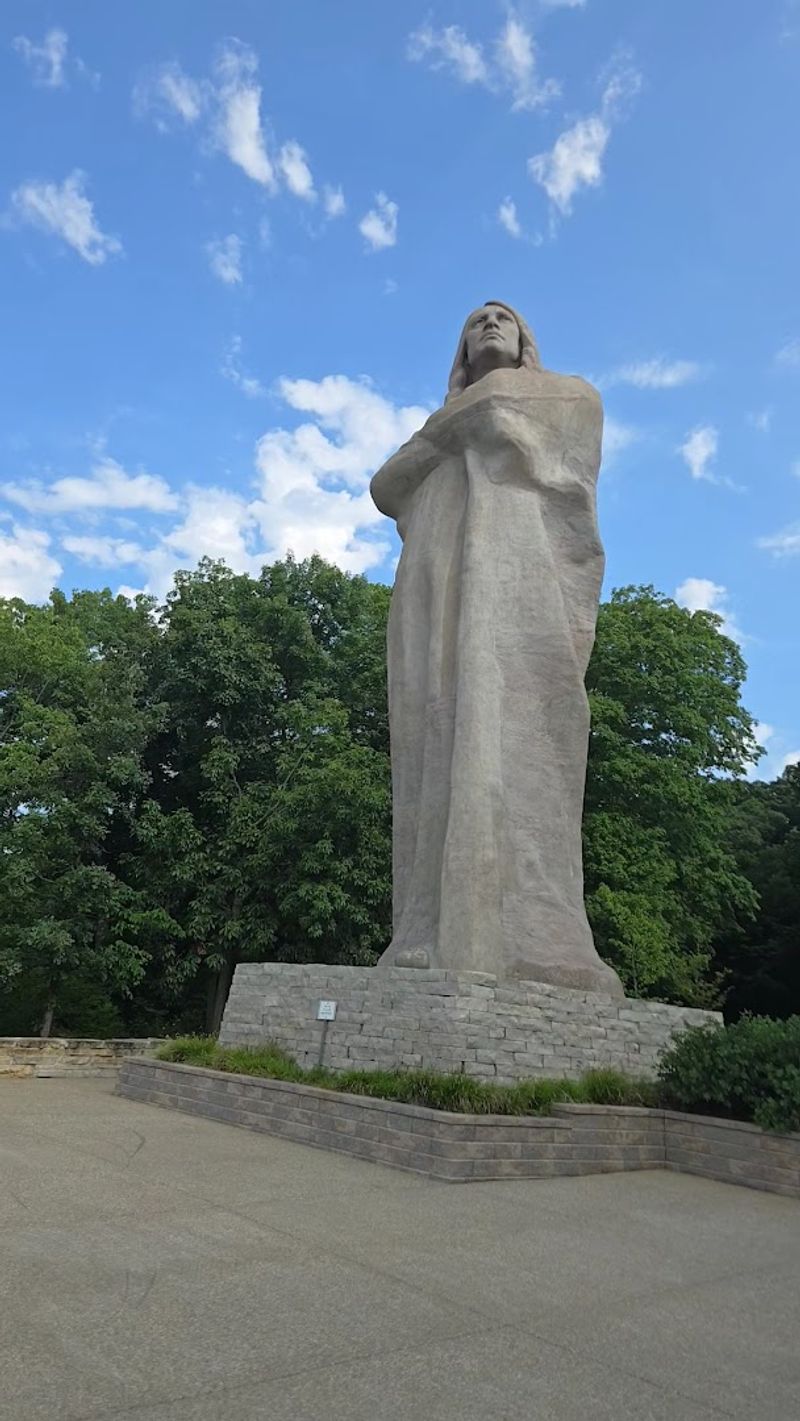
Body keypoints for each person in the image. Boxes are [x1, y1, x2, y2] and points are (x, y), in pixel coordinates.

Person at [370, 301, 623, 996]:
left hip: (513, 581)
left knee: (513, 737)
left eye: (501, 318)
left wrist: (485, 420)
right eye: (475, 320)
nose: (487, 324)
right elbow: (384, 486)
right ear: (459, 349)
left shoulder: (563, 393)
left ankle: (530, 937)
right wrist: (462, 425)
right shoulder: (441, 423)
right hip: (435, 591)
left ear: (523, 341)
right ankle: (428, 929)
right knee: (435, 747)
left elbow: (572, 443)